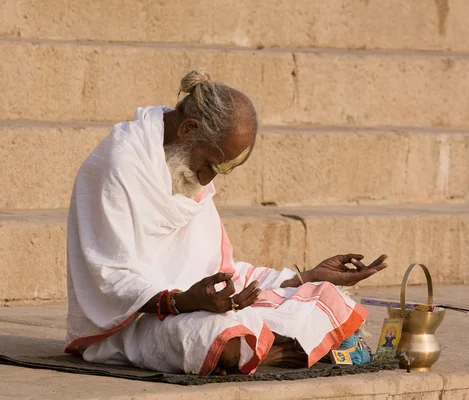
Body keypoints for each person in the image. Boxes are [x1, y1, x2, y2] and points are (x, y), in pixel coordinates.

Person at [65, 69, 388, 375]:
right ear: (188, 129)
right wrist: (182, 302)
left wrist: (304, 277)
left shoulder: (183, 167)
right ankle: (264, 349)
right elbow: (109, 277)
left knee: (326, 295)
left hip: (197, 306)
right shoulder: (117, 165)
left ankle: (256, 347)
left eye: (220, 170)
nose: (207, 179)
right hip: (133, 321)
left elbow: (220, 270)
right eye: (208, 164)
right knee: (222, 340)